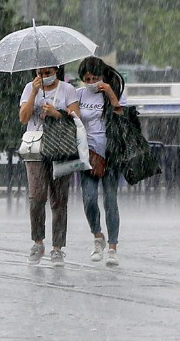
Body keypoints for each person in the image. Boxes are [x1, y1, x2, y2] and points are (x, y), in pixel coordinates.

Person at [18, 66, 80, 267]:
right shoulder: (30, 88)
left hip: (61, 146)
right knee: (36, 197)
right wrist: (34, 92)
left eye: (48, 72)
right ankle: (38, 242)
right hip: (35, 146)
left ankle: (57, 248)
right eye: (40, 73)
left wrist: (57, 113)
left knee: (59, 199)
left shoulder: (67, 89)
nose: (44, 76)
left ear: (56, 70)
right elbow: (23, 117)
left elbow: (76, 117)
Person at [76, 57, 127, 267]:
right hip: (88, 155)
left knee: (110, 200)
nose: (91, 82)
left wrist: (110, 94)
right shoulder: (79, 95)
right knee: (88, 199)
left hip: (111, 154)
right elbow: (75, 118)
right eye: (87, 79)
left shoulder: (113, 93)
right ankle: (98, 236)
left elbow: (123, 116)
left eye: (94, 78)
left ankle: (113, 246)